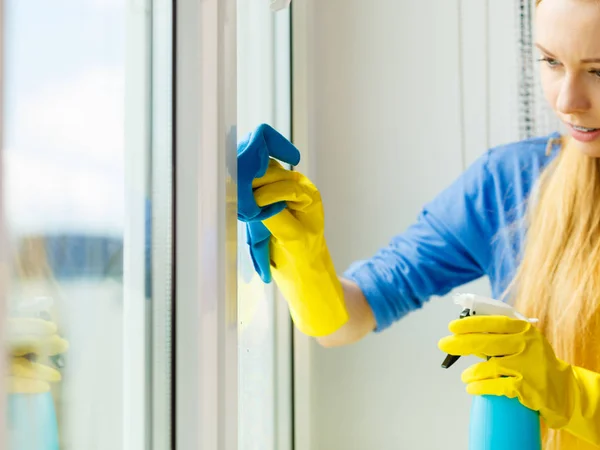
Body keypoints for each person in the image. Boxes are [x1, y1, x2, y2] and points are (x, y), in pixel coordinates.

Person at [242, 0, 600, 448]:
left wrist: (569, 392)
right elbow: (343, 322)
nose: (568, 102)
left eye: (598, 71)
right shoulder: (508, 184)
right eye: (551, 61)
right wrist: (298, 243)